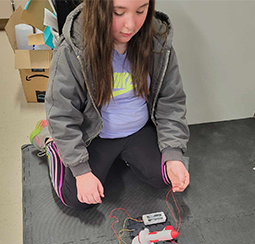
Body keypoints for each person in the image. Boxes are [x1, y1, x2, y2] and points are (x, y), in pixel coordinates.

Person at [30, 0, 190, 210]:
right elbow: (62, 114)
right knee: (76, 199)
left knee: (165, 178)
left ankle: (122, 156)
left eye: (141, 11)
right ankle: (49, 140)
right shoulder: (73, 49)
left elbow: (171, 101)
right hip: (95, 134)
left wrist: (173, 154)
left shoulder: (157, 40)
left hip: (138, 130)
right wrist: (80, 170)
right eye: (118, 13)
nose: (130, 25)